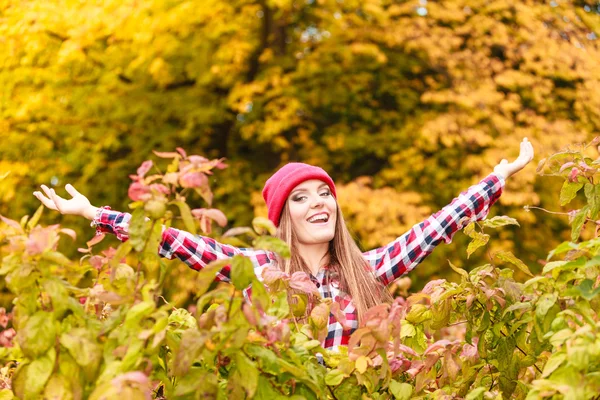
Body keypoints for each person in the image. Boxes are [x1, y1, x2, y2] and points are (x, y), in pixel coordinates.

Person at [34, 138, 534, 350]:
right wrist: (94, 214)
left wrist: (495, 178)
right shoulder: (259, 268)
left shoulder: (371, 268)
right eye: (301, 198)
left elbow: (434, 229)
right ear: (283, 217)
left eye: (325, 194)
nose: (319, 203)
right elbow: (172, 241)